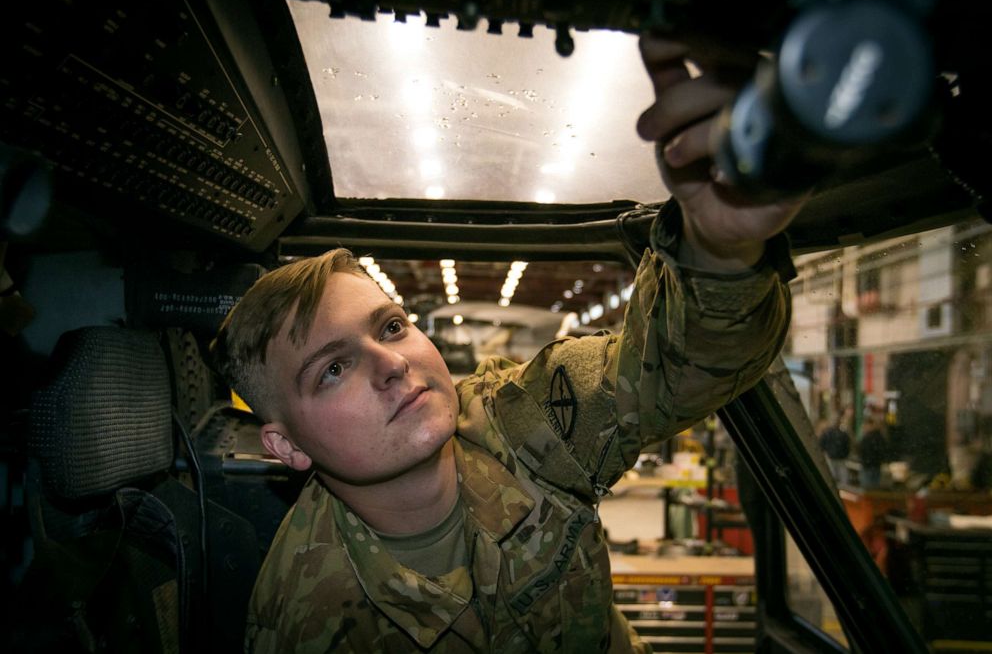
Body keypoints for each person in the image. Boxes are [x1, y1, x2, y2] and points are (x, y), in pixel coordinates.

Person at [210, 34, 804, 653]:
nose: (392, 363)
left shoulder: (524, 422)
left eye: (390, 327)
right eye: (332, 369)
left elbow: (681, 370)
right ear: (285, 446)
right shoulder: (304, 620)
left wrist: (721, 249)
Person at [819, 407, 853, 486]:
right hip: (837, 458)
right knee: (841, 477)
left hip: (834, 457)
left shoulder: (829, 432)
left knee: (835, 477)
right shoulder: (839, 433)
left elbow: (822, 444)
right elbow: (847, 445)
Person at [859, 415, 888, 490]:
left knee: (867, 490)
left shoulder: (867, 438)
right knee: (875, 488)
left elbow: (861, 450)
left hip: (868, 466)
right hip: (876, 466)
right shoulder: (879, 437)